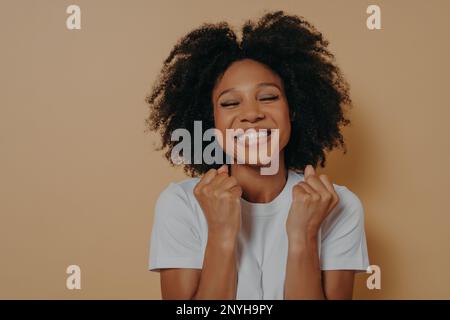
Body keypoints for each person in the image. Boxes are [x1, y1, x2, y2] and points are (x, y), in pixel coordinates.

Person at [146, 11, 369, 300]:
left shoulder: (338, 206)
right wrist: (221, 234)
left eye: (268, 97)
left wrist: (304, 236)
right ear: (210, 122)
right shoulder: (181, 204)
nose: (251, 114)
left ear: (294, 110)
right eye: (229, 103)